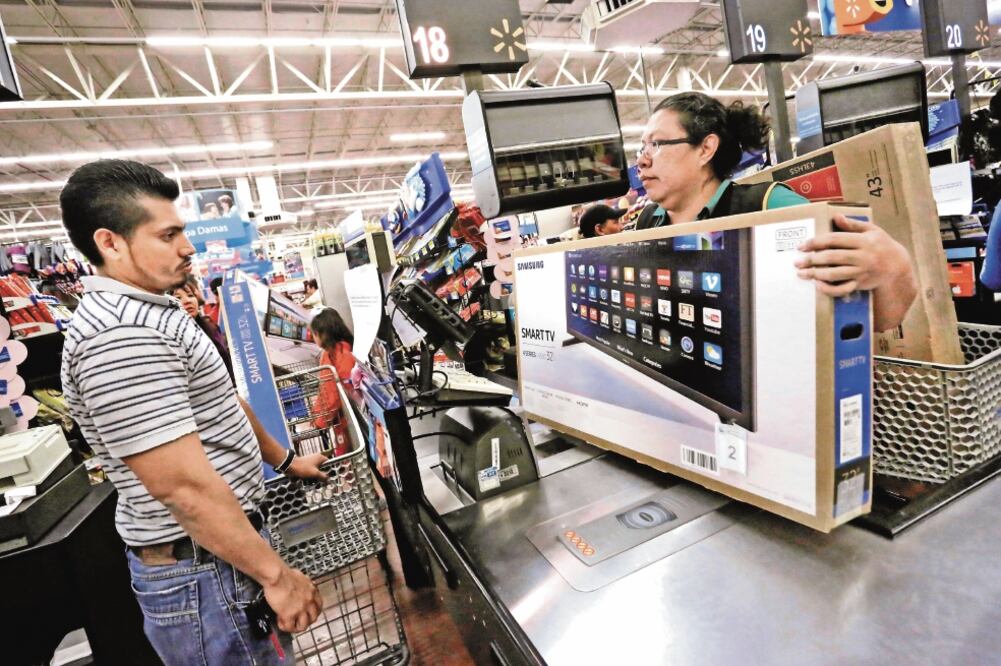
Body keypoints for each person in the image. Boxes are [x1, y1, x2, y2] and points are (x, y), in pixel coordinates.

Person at [58, 159, 326, 666]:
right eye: (169, 235)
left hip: (221, 560)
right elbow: (181, 488)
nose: (188, 247)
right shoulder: (122, 337)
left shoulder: (153, 312)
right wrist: (276, 576)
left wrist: (286, 461)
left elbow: (223, 401)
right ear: (110, 242)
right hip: (206, 574)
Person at [634, 92, 916, 332]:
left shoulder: (768, 206)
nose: (642, 162)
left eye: (656, 145)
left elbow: (876, 317)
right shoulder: (647, 222)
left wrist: (893, 266)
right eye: (641, 148)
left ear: (705, 148)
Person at [309, 308, 356, 456]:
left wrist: (320, 421)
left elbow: (335, 393)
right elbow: (326, 389)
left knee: (345, 453)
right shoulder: (332, 353)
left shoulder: (342, 355)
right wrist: (316, 415)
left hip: (345, 419)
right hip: (339, 417)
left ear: (324, 333)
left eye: (315, 333)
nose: (313, 337)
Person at [173, 274, 235, 384]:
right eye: (178, 298)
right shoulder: (174, 341)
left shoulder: (210, 326)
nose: (187, 301)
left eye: (190, 295)